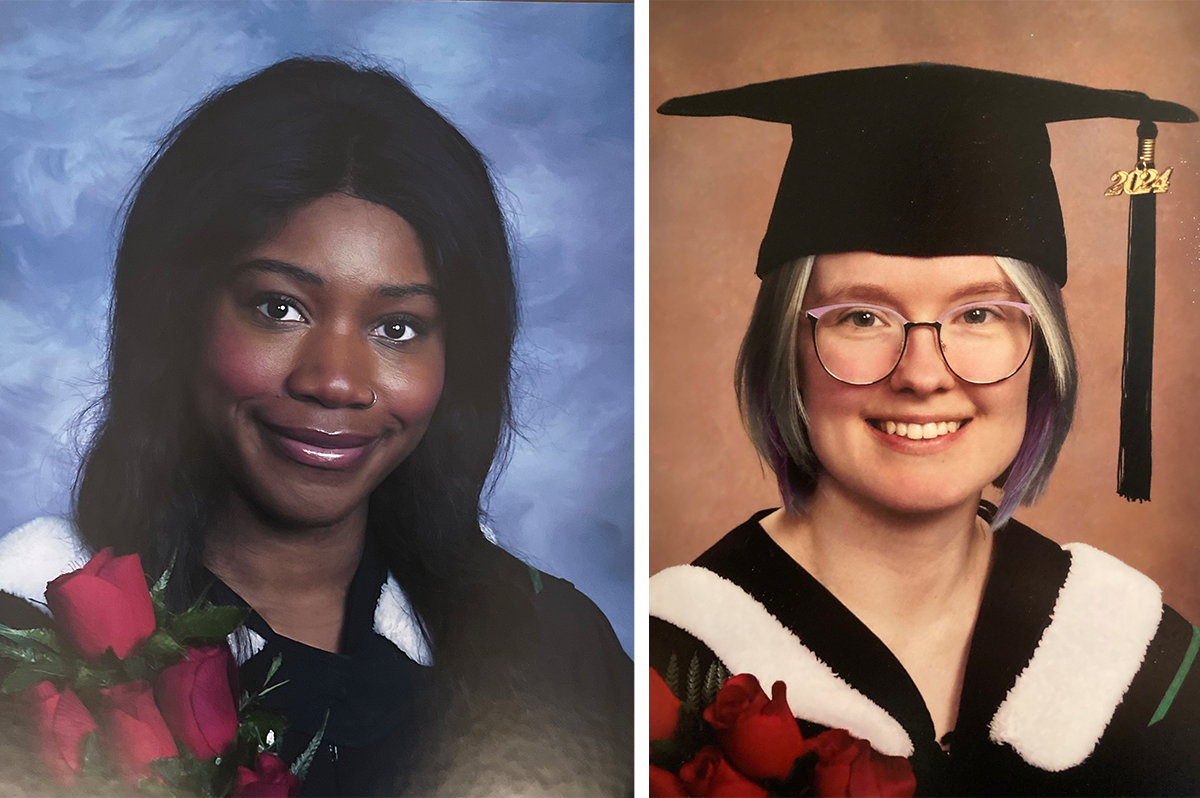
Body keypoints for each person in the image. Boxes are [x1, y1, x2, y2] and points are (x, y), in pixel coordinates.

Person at [0, 57, 632, 797]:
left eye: (398, 327)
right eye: (279, 308)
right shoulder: (25, 655)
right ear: (177, 316)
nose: (335, 380)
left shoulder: (554, 645)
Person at [649, 63, 1198, 797]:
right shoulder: (669, 665)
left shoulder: (1140, 653)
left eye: (980, 314)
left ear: (1043, 354)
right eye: (861, 316)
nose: (921, 373)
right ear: (787, 352)